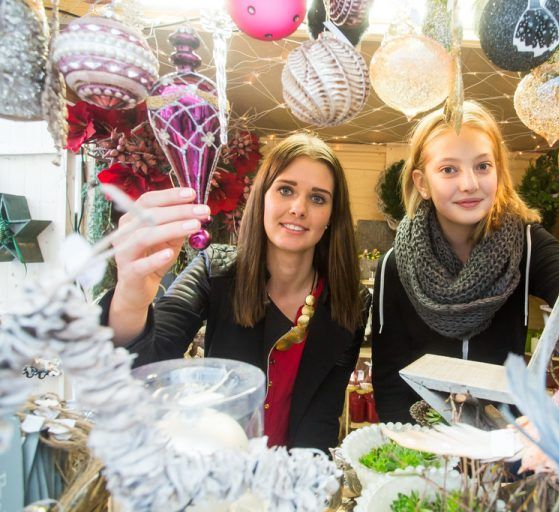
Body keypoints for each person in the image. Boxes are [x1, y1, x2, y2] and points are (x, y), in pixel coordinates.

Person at [372, 101, 559, 423]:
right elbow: (390, 376)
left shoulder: (525, 243)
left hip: (506, 435)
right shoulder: (396, 264)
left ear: (498, 171)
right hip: (425, 437)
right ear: (422, 183)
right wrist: (406, 445)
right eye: (449, 169)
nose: (469, 183)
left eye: (483, 166)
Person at [102, 133, 369, 452]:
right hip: (215, 468)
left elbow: (321, 420)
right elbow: (145, 366)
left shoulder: (350, 302)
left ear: (332, 216)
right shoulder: (214, 269)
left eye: (318, 198)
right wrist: (131, 297)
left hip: (293, 475)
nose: (299, 208)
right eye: (286, 190)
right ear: (262, 198)